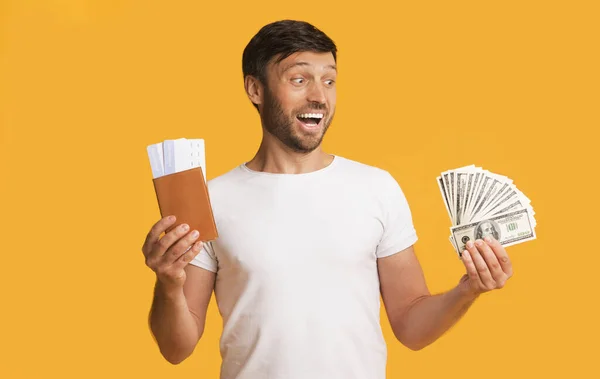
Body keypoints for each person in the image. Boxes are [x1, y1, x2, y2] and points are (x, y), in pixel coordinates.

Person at [141, 19, 514, 379]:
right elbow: (177, 348)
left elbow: (411, 327)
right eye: (300, 79)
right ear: (255, 89)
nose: (319, 96)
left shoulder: (376, 188)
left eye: (329, 80)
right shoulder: (213, 201)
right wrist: (169, 284)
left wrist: (469, 289)